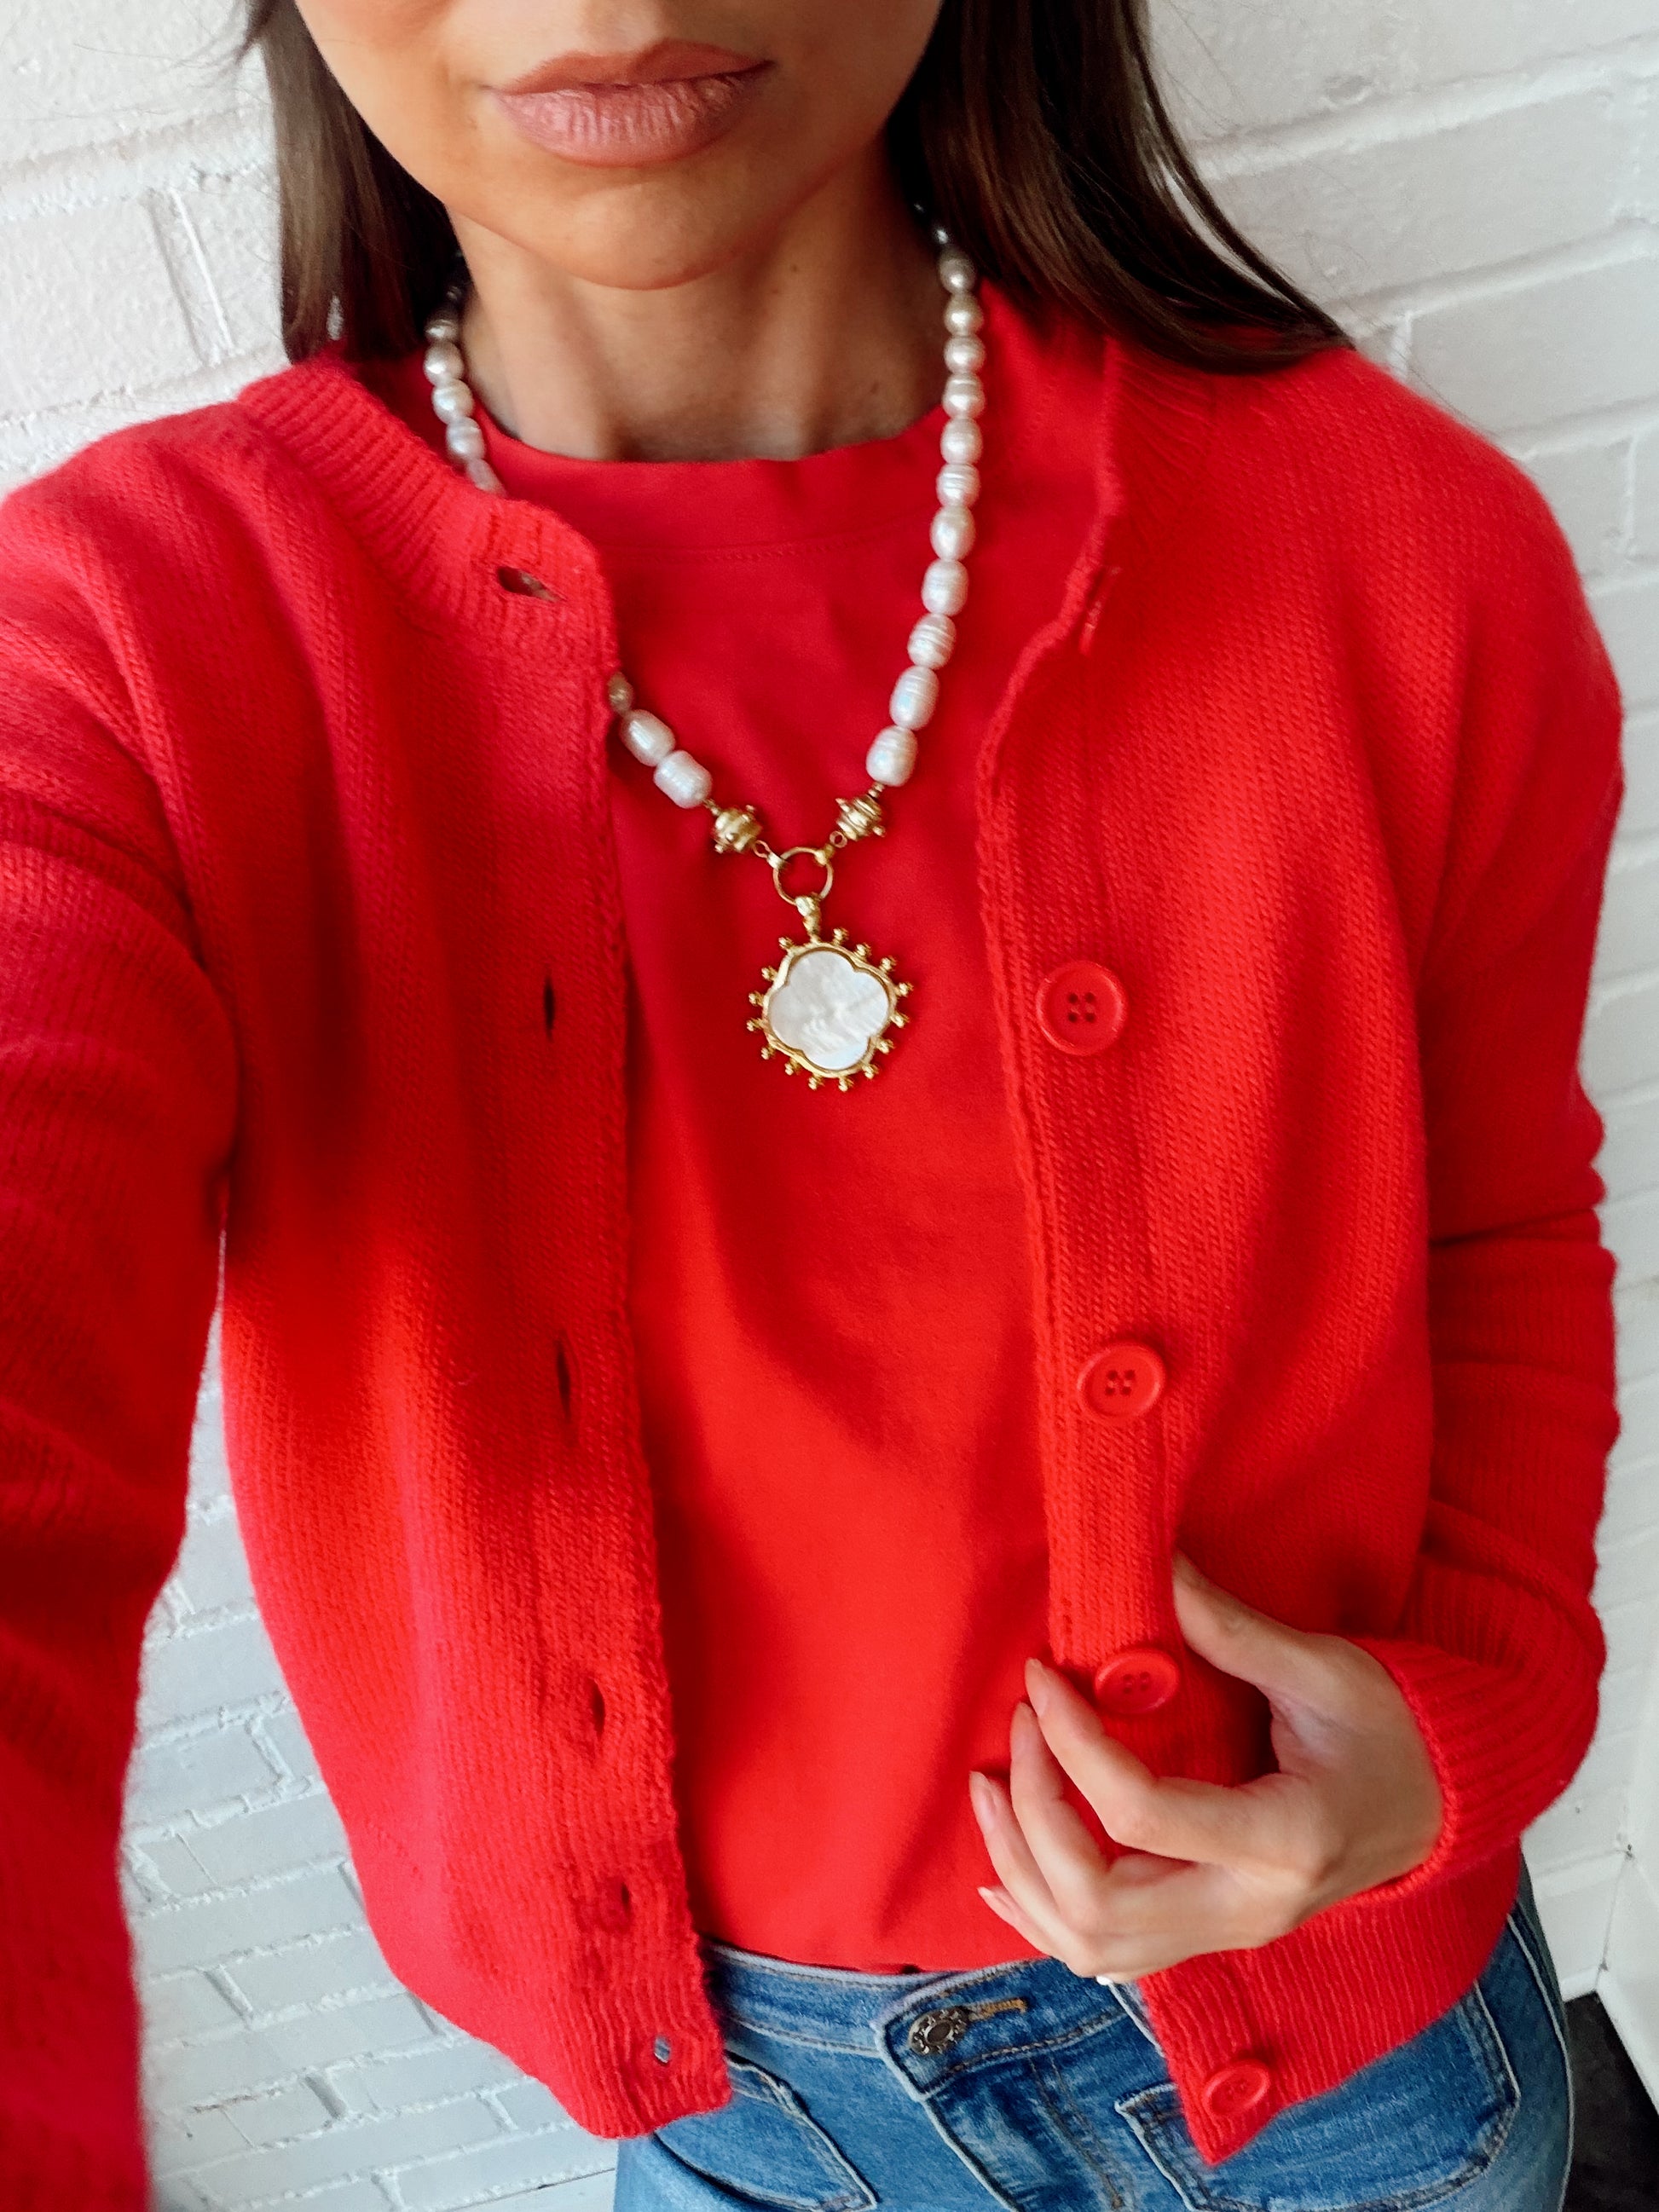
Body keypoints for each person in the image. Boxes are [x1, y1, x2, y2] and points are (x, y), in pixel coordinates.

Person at [0, 2, 1623, 2206]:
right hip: (752, 2120)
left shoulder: (1396, 540)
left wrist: (1467, 1737)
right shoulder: (135, 652)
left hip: (1366, 2061)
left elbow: (1501, 1225)